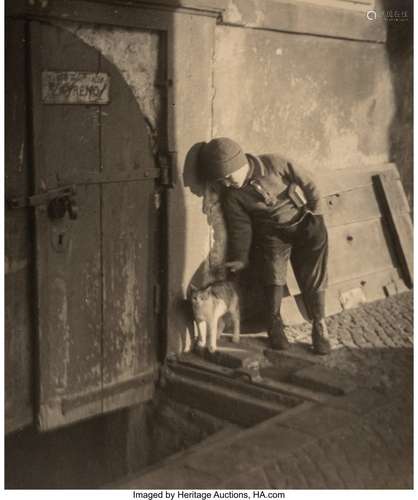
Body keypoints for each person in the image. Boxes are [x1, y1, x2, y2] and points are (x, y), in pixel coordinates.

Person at [199, 137, 331, 355]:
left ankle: (319, 325)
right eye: (222, 181)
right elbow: (241, 229)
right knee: (273, 274)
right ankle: (275, 325)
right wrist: (241, 257)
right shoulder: (233, 196)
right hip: (272, 234)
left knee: (313, 273)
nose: (227, 184)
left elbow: (309, 182)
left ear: (240, 164)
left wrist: (316, 213)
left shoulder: (274, 163)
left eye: (229, 177)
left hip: (304, 222)